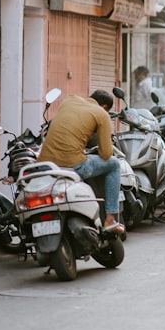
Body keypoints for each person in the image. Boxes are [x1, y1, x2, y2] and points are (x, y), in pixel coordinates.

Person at [37, 89, 125, 234]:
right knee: (114, 164)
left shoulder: (68, 99)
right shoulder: (101, 114)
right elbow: (106, 153)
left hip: (45, 164)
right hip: (74, 165)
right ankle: (110, 219)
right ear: (104, 107)